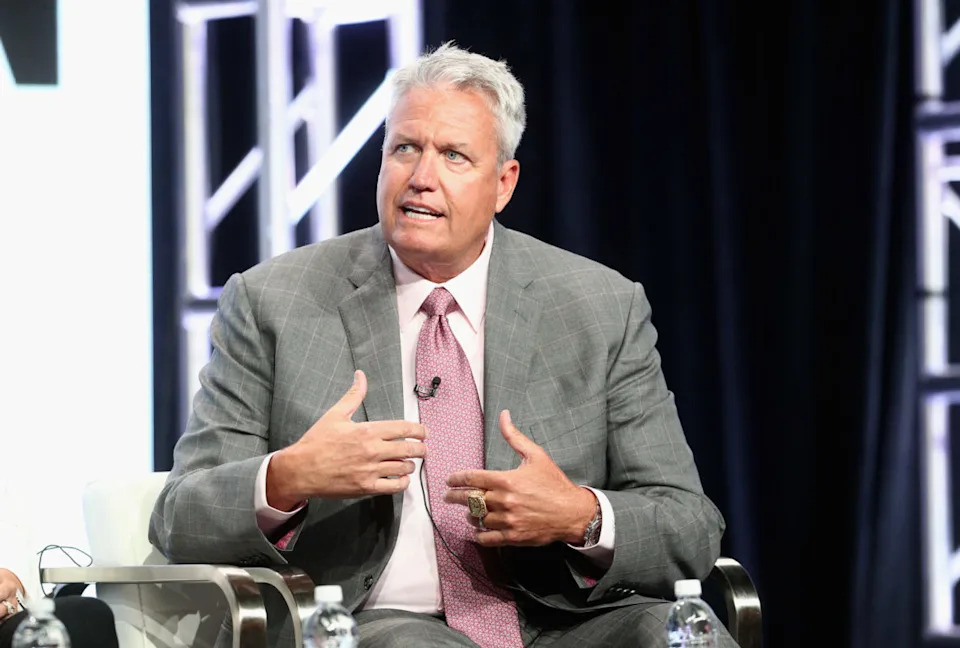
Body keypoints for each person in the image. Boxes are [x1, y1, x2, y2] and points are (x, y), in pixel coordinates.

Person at [149, 42, 737, 648]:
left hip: (565, 622)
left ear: (503, 183)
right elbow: (179, 519)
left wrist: (579, 515)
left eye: (454, 155)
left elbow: (689, 529)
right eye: (405, 148)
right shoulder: (274, 300)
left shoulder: (600, 307)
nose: (421, 177)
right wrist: (288, 477)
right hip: (375, 625)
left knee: (682, 636)